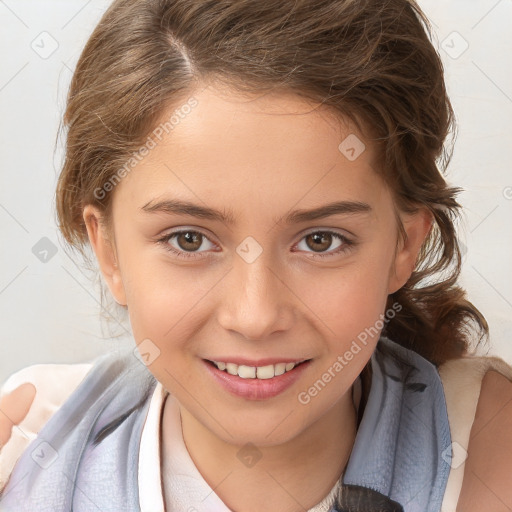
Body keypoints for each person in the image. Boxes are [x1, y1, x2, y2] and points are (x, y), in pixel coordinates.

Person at [0, 0, 511, 511]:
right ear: (107, 249)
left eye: (320, 241)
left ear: (405, 243)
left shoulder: (487, 449)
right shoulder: (25, 447)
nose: (255, 317)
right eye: (189, 240)